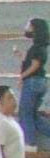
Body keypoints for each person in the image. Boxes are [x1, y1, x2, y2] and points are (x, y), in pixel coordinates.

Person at [21, 17, 48, 146]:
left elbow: (34, 65)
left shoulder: (37, 47)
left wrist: (22, 76)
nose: (27, 29)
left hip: (33, 81)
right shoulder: (40, 47)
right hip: (39, 82)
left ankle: (29, 143)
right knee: (33, 115)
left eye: (29, 26)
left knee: (25, 113)